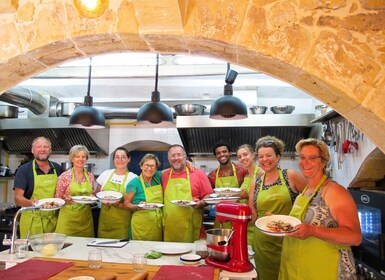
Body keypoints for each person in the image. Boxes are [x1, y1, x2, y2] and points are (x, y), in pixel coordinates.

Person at [279, 138, 362, 280]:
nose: (305, 162)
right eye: (302, 157)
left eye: (312, 158)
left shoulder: (333, 191)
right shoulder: (305, 191)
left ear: (323, 161)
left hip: (325, 270)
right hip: (298, 269)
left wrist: (313, 231)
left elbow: (355, 237)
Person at [249, 136, 307, 280]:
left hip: (289, 240)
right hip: (263, 243)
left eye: (269, 155)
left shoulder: (291, 176)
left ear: (278, 157)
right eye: (261, 156)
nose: (265, 159)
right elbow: (253, 216)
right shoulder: (255, 183)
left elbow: (311, 201)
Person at [162, 144, 213, 243]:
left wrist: (201, 203)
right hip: (170, 227)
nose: (176, 158)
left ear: (185, 157)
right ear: (169, 159)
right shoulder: (164, 175)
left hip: (192, 225)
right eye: (173, 155)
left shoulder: (198, 174)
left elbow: (209, 196)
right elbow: (147, 173)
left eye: (179, 155)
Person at [14, 137, 63, 238]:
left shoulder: (57, 168)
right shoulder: (24, 170)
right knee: (32, 253)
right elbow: (17, 198)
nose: (42, 149)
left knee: (52, 252)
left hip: (54, 221)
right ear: (32, 150)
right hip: (32, 220)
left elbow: (62, 193)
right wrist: (31, 203)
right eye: (39, 147)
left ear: (50, 150)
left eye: (46, 146)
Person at [95, 147, 137, 239]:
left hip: (122, 225)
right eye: (117, 157)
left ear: (128, 159)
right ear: (113, 160)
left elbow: (134, 203)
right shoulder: (105, 174)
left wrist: (118, 204)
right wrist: (101, 199)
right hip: (105, 223)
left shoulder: (133, 178)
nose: (120, 160)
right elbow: (96, 194)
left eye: (123, 157)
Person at [55, 145, 96, 237]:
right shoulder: (64, 177)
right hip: (68, 221)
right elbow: (57, 198)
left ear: (86, 159)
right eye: (77, 156)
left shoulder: (90, 177)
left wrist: (92, 197)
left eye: (83, 157)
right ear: (72, 159)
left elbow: (91, 194)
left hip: (85, 220)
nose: (80, 159)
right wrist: (65, 200)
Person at [208, 140, 248, 228]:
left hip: (238, 216)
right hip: (220, 217)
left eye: (224, 151)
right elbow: (208, 195)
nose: (222, 154)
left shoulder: (242, 171)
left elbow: (249, 193)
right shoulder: (212, 176)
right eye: (218, 153)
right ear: (216, 156)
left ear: (230, 153)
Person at [125, 154, 163, 241]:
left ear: (156, 168)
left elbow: (173, 169)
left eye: (152, 166)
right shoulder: (133, 183)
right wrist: (137, 206)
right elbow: (126, 204)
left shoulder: (157, 178)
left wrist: (186, 161)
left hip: (156, 224)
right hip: (141, 225)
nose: (149, 169)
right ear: (141, 166)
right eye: (146, 165)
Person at [236, 144, 264, 248]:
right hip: (245, 221)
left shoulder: (261, 173)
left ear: (253, 155)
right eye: (239, 157)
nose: (243, 158)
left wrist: (246, 195)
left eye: (245, 154)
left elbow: (263, 197)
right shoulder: (247, 175)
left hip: (255, 220)